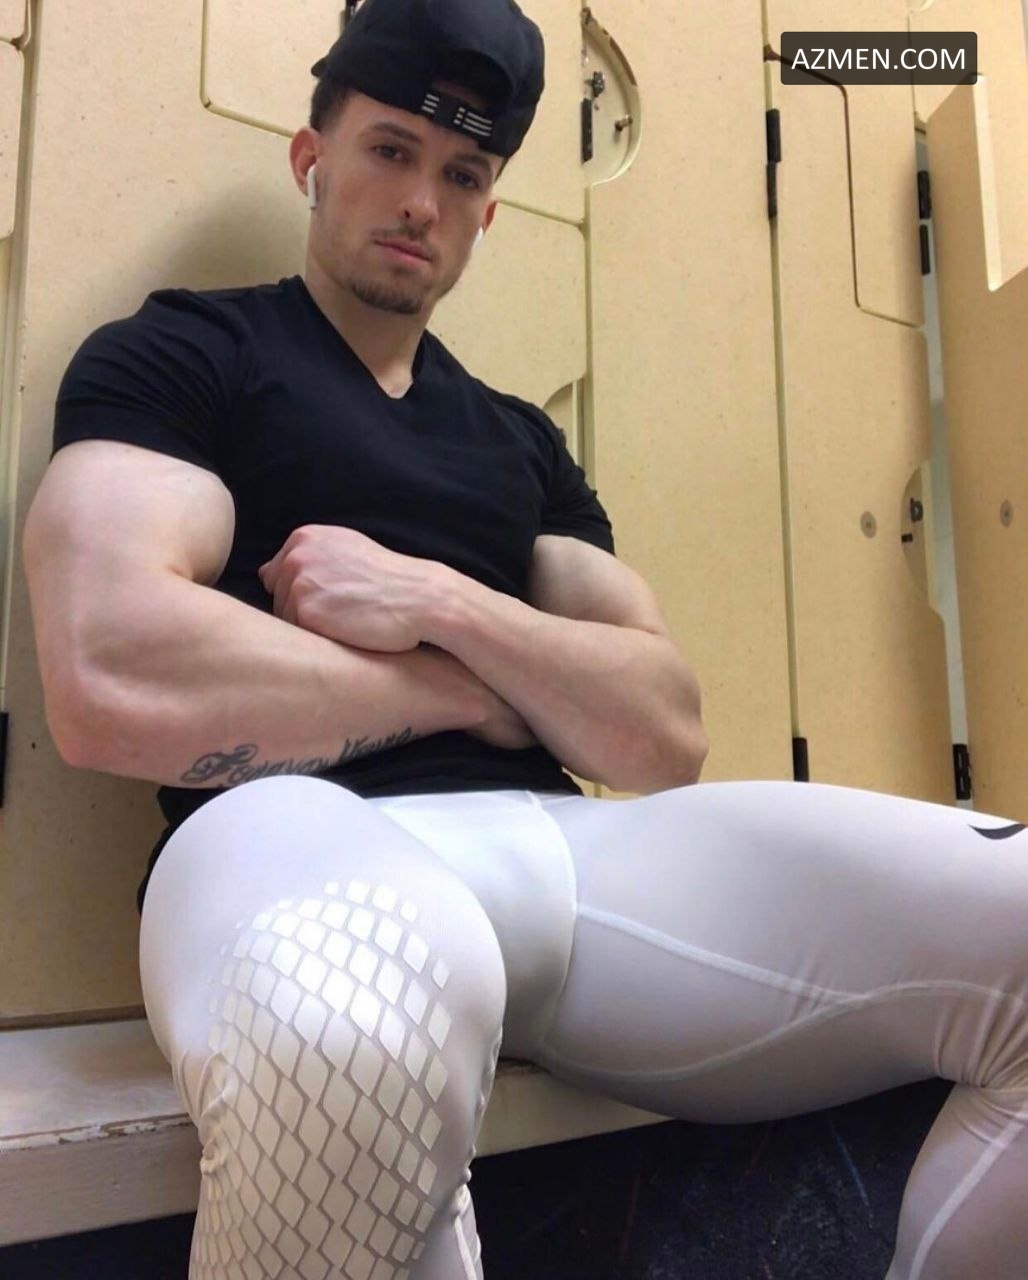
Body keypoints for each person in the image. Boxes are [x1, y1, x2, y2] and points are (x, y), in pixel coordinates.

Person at [21, 0, 1028, 1276]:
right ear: (310, 158)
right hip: (288, 830)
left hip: (561, 848)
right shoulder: (186, 352)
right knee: (347, 1032)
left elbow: (659, 728)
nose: (421, 202)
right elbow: (111, 668)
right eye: (390, 150)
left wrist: (440, 600)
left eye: (462, 174)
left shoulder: (517, 439)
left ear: (487, 211)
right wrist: (476, 691)